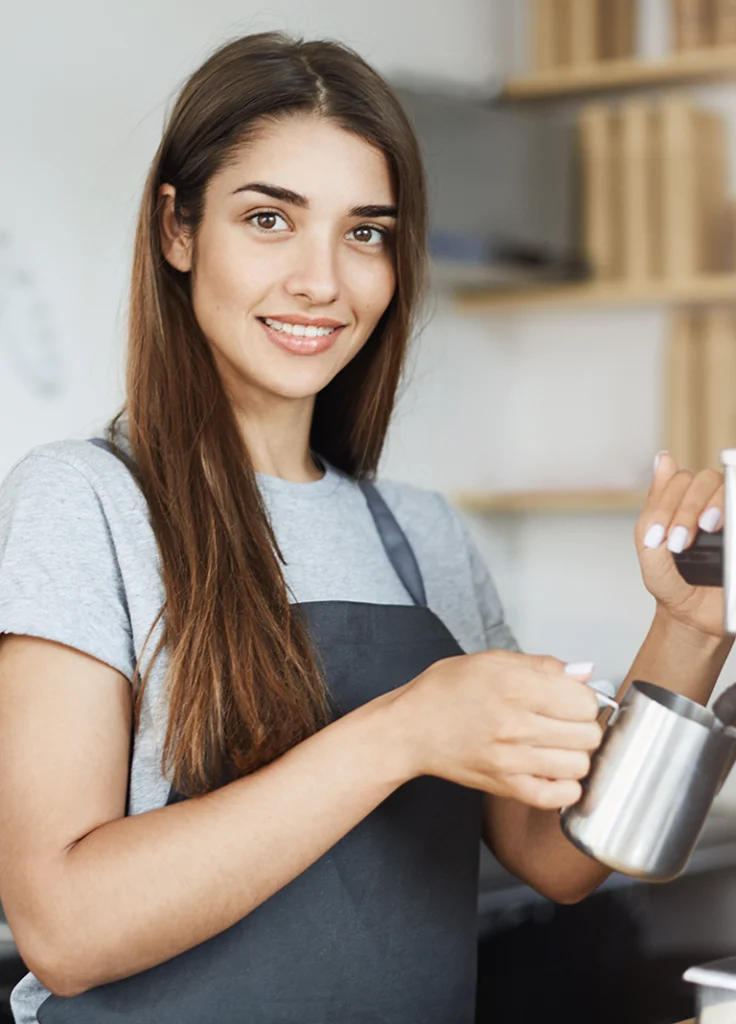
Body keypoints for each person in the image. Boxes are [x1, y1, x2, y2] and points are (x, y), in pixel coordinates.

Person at [0, 31, 730, 1024]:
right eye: (269, 219)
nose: (321, 281)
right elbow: (65, 928)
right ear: (177, 229)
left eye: (366, 233)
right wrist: (400, 731)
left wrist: (689, 626)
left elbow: (555, 855)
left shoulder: (421, 536)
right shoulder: (84, 502)